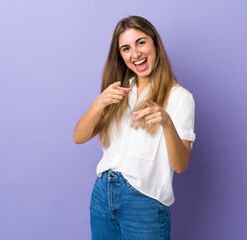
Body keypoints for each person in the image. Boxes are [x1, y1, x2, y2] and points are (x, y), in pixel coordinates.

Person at [73, 16, 196, 240]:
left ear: (155, 44)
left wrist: (166, 123)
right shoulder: (118, 92)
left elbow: (181, 165)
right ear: (120, 56)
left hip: (144, 202)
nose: (135, 54)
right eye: (126, 48)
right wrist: (99, 102)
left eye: (141, 42)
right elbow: (79, 137)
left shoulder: (180, 97)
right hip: (103, 195)